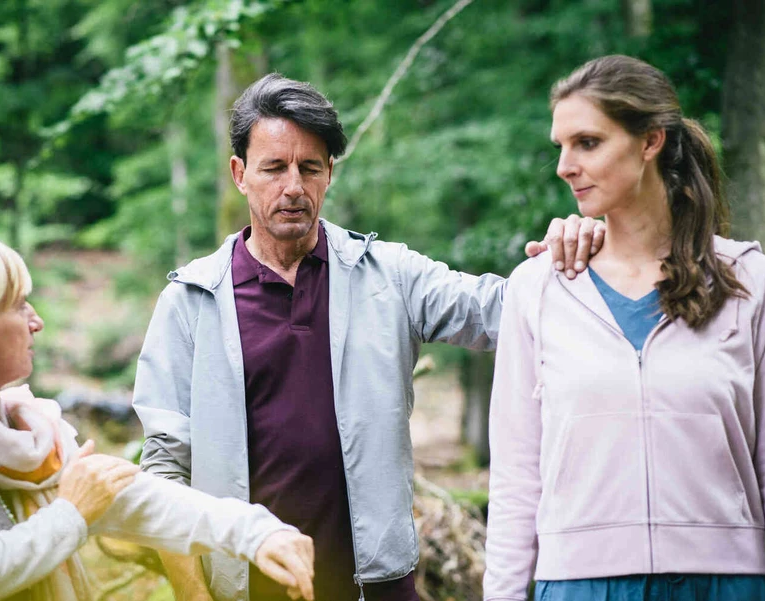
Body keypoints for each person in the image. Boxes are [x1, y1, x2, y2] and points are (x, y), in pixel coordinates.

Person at [132, 73, 603, 601]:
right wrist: (194, 593)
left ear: (329, 173)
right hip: (246, 588)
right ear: (240, 174)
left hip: (379, 587)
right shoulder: (192, 301)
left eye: (310, 168)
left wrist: (586, 252)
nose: (294, 186)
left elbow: (502, 311)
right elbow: (164, 470)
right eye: (274, 168)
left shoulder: (389, 276)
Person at [483, 54, 765, 601]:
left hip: (724, 584)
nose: (565, 166)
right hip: (578, 586)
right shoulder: (539, 288)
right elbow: (515, 478)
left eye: (587, 143)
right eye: (561, 146)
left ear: (650, 141)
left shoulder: (750, 282)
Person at [0, 234, 317, 601]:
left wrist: (257, 533)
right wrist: (70, 515)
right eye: (19, 306)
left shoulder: (29, 428)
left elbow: (138, 500)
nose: (36, 321)